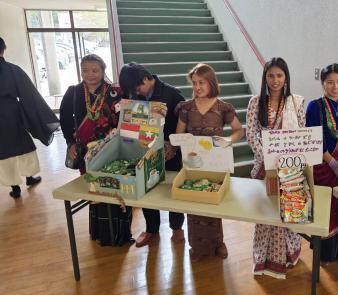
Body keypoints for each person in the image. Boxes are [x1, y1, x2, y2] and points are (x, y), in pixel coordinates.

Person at [60, 54, 132, 246]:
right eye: (85, 70)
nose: (90, 74)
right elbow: (65, 120)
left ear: (103, 70)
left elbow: (126, 118)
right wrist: (70, 143)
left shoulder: (115, 92)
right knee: (95, 189)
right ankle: (101, 233)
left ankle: (120, 233)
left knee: (116, 186)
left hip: (112, 150)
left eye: (95, 70)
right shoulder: (73, 92)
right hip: (86, 152)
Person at [175, 63, 244, 261]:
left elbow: (239, 130)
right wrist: (186, 142)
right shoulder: (186, 108)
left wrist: (228, 140)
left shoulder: (224, 107)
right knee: (195, 204)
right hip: (193, 162)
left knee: (214, 202)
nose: (197, 87)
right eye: (194, 83)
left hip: (215, 163)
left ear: (211, 82)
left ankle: (218, 243)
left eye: (201, 82)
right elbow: (179, 134)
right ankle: (196, 247)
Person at [246, 57, 305, 278]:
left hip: (290, 168)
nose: (275, 80)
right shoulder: (255, 102)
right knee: (265, 213)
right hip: (264, 168)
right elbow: (251, 134)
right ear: (265, 78)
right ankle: (263, 258)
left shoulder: (296, 103)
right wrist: (268, 157)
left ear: (286, 77)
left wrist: (284, 159)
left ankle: (288, 256)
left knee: (287, 215)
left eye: (279, 75)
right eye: (271, 76)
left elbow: (301, 133)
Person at [119, 62, 186, 247]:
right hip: (144, 150)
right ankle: (151, 229)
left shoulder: (172, 93)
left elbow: (185, 122)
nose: (137, 92)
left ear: (147, 78)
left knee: (173, 189)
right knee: (145, 188)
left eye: (138, 87)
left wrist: (174, 145)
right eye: (133, 90)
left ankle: (177, 228)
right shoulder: (134, 95)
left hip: (170, 153)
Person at [305, 63, 338, 265]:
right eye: (330, 82)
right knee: (326, 211)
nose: (335, 87)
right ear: (322, 84)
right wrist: (334, 164)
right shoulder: (315, 106)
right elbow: (313, 140)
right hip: (324, 168)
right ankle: (325, 255)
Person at [0, 36, 59, 198]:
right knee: (23, 144)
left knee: (3, 150)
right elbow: (29, 95)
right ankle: (29, 177)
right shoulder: (12, 70)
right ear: (3, 49)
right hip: (12, 112)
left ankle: (15, 187)